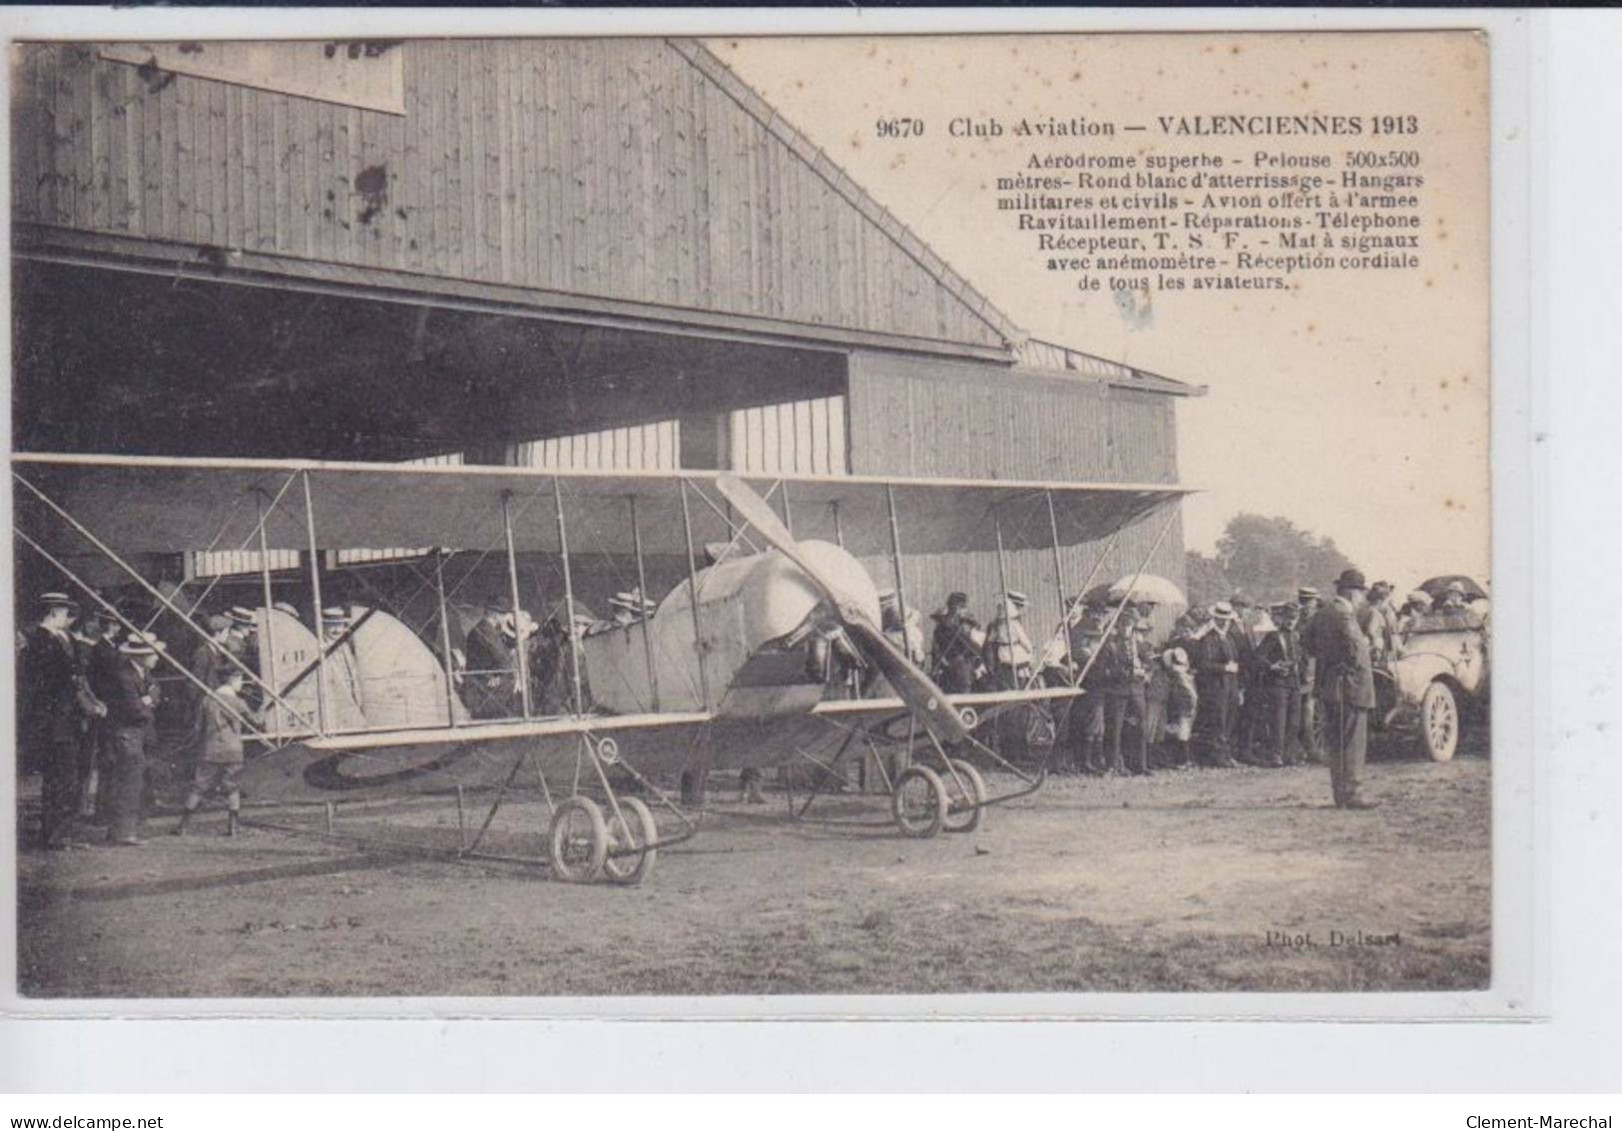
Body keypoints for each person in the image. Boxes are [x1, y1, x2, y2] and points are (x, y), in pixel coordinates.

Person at [19, 592, 92, 848]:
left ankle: (60, 833)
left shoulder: (65, 637)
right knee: (60, 778)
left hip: (68, 720)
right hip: (54, 722)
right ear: (52, 612)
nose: (68, 617)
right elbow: (43, 684)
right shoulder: (39, 641)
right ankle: (54, 836)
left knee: (68, 777)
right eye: (64, 612)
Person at [1303, 569, 1378, 809]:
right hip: (1351, 686)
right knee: (1353, 742)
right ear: (1351, 592)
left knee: (1335, 743)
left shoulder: (1321, 613)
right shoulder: (1345, 614)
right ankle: (1354, 794)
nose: (1362, 598)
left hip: (1328, 685)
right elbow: (1356, 649)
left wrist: (1329, 660)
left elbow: (1306, 643)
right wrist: (1361, 650)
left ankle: (1340, 794)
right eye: (1360, 592)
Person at [174, 668, 261, 837]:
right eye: (240, 680)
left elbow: (198, 727)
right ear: (232, 680)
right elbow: (258, 721)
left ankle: (183, 825)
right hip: (233, 749)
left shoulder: (207, 700)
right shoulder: (239, 702)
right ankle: (233, 827)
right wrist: (264, 707)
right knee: (233, 786)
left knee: (199, 786)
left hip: (210, 749)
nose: (241, 684)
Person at [103, 632, 166, 845]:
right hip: (128, 735)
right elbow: (134, 710)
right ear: (141, 655)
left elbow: (156, 694)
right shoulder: (125, 677)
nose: (157, 657)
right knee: (129, 782)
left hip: (143, 734)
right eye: (153, 653)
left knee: (141, 781)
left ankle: (129, 829)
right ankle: (122, 832)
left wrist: (147, 701)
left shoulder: (145, 675)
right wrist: (146, 702)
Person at [1096, 604, 1154, 775]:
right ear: (1118, 625)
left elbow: (1150, 663)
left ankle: (1139, 765)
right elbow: (1101, 670)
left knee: (1141, 728)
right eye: (1124, 624)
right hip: (1117, 691)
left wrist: (1145, 671)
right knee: (1115, 729)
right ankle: (1112, 765)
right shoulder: (1110, 645)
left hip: (1137, 690)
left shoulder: (1140, 645)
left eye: (1130, 624)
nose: (1127, 628)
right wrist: (1123, 672)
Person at [1192, 603, 1242, 767]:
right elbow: (1203, 664)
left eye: (1227, 619)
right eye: (1221, 619)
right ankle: (1218, 756)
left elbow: (1237, 660)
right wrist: (1224, 668)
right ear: (1216, 619)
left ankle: (1226, 754)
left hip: (1231, 684)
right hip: (1216, 685)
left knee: (1229, 719)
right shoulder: (1208, 639)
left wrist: (1238, 685)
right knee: (1218, 721)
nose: (1225, 622)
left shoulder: (1229, 638)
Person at [1256, 602, 1304, 767]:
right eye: (1288, 618)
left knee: (1294, 721)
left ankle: (1290, 755)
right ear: (1282, 618)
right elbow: (1259, 656)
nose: (1291, 621)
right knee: (1278, 720)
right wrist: (1272, 666)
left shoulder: (1297, 636)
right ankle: (1276, 755)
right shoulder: (1273, 636)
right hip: (1278, 683)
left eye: (1294, 618)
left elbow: (1300, 656)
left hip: (1294, 682)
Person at [463, 599, 517, 718]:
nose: (504, 619)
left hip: (482, 685)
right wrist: (503, 674)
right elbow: (501, 658)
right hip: (485, 689)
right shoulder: (486, 631)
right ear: (494, 615)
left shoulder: (483, 629)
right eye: (503, 615)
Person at [929, 592, 981, 694]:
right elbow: (968, 645)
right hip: (960, 667)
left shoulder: (940, 627)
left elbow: (936, 649)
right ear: (958, 607)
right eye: (963, 608)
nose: (965, 611)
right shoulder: (955, 627)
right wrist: (978, 650)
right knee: (964, 694)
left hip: (945, 666)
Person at [1295, 586, 1324, 764]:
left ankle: (1313, 747)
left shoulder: (1321, 619)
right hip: (1301, 663)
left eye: (1309, 601)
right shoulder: (1298, 619)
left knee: (1311, 703)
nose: (1306, 605)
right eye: (1303, 600)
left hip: (1316, 661)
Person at [983, 590, 1034, 691]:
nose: (1021, 610)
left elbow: (991, 639)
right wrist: (1030, 649)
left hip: (1004, 656)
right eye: (1019, 607)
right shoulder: (1012, 624)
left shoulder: (998, 624)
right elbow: (1024, 640)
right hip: (1007, 659)